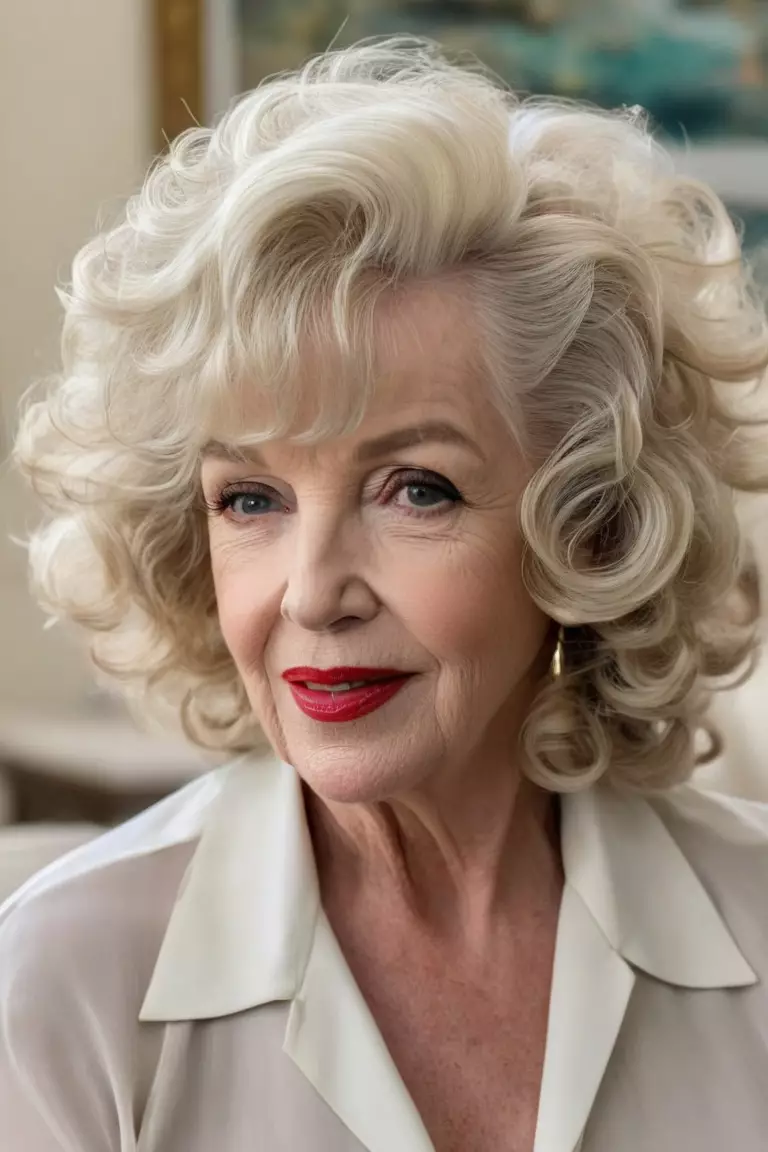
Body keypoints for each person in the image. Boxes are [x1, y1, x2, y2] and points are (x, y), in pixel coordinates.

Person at [3, 35, 768, 1152]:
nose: (312, 593)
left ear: (591, 525)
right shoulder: (57, 993)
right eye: (249, 499)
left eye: (416, 489)